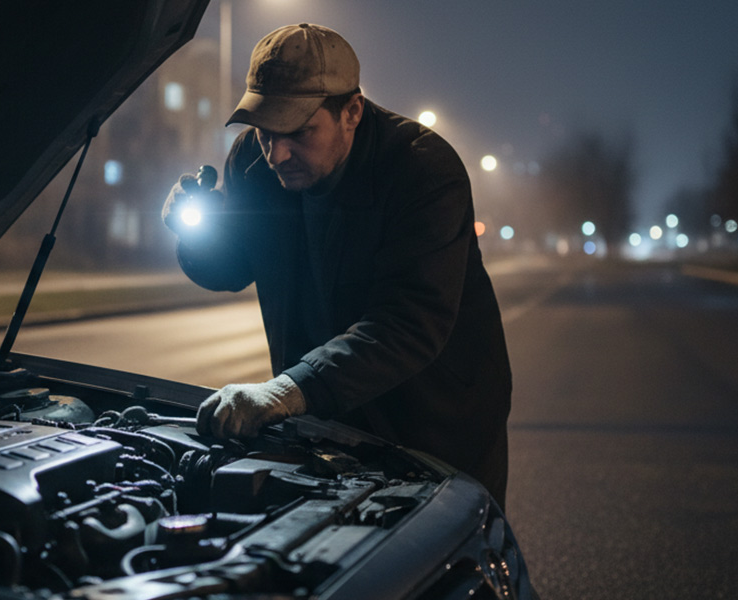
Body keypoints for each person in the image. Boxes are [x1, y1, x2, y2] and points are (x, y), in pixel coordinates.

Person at [161, 23, 512, 505]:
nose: (277, 153)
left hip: (436, 422)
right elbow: (231, 266)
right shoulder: (252, 163)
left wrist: (286, 391)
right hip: (321, 416)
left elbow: (409, 322)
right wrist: (192, 234)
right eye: (264, 131)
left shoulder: (423, 171)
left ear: (352, 111)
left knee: (451, 568)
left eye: (299, 132)